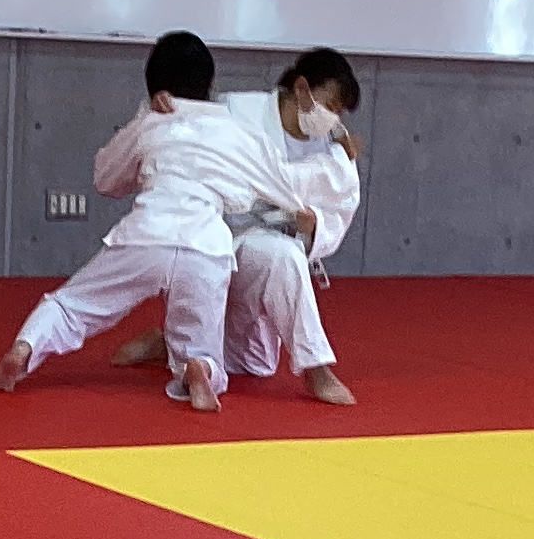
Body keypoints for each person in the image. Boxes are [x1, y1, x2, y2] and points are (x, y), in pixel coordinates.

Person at [0, 31, 286, 412]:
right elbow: (278, 186)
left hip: (147, 234)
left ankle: (26, 346)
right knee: (201, 343)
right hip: (207, 246)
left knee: (73, 305)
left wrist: (145, 116)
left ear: (153, 84)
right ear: (209, 82)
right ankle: (198, 367)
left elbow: (106, 179)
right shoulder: (236, 130)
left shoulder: (152, 122)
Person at [114, 47, 365, 404]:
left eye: (338, 111)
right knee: (282, 256)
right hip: (215, 238)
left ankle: (170, 344)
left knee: (256, 363)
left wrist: (315, 225)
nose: (332, 117)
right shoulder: (238, 110)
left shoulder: (333, 147)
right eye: (330, 104)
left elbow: (341, 204)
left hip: (263, 249)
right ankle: (317, 370)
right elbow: (188, 132)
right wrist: (161, 107)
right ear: (301, 88)